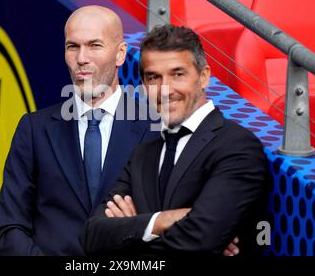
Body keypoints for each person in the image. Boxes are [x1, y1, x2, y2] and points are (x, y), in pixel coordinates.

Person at [81, 25, 269, 255]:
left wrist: (134, 233)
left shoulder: (237, 146)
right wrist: (160, 221)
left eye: (177, 74)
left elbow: (199, 242)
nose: (165, 90)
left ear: (204, 77)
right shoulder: (143, 154)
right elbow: (92, 236)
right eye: (154, 77)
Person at [0, 5, 159, 255]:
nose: (82, 58)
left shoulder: (156, 128)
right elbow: (8, 230)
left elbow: (176, 226)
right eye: (73, 46)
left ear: (120, 54)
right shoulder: (35, 129)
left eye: (94, 45)